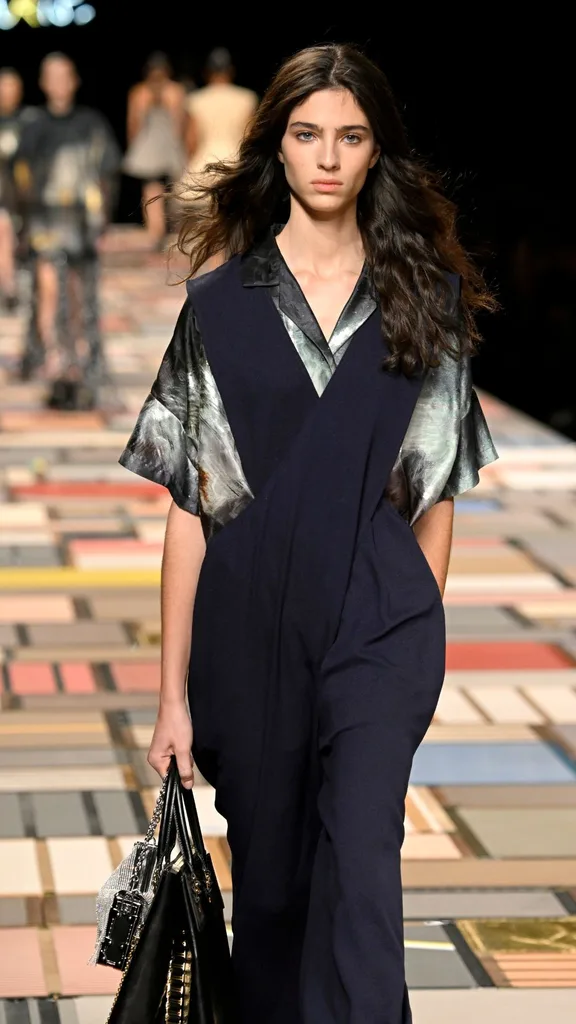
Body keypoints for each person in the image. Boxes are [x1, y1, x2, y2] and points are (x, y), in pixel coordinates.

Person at [120, 44, 498, 1024]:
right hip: (248, 631)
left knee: (366, 869)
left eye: (351, 136)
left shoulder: (428, 306)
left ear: (377, 153)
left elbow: (435, 493)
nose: (328, 157)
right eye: (307, 135)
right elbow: (191, 507)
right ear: (277, 149)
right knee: (276, 897)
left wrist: (408, 631)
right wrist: (170, 698)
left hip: (375, 620)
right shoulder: (218, 311)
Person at [15, 52, 120, 409]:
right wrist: (23, 224)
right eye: (51, 75)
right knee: (48, 292)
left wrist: (102, 219)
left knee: (76, 297)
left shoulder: (91, 124)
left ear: (75, 79)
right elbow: (21, 177)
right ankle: (56, 365)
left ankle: (76, 364)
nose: (59, 82)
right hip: (45, 222)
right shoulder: (33, 127)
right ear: (43, 82)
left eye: (65, 75)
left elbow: (106, 173)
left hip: (80, 223)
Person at [123, 52, 186, 248]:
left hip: (149, 148)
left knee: (152, 191)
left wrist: (134, 146)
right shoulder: (176, 91)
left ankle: (155, 233)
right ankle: (165, 233)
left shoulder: (139, 92)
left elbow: (133, 125)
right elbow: (181, 124)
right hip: (167, 147)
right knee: (171, 191)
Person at [185, 46, 257, 175]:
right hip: (235, 162)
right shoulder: (246, 98)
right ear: (231, 71)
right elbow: (249, 136)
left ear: (207, 72)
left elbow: (192, 140)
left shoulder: (196, 100)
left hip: (203, 163)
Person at [0, 67, 36, 311]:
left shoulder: (29, 121)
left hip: (24, 193)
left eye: (12, 87)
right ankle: (9, 287)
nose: (8, 93)